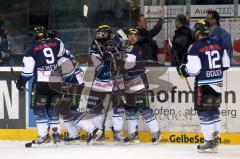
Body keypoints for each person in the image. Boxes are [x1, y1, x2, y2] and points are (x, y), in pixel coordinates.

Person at [177, 20, 230, 152]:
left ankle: (209, 141)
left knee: (204, 112)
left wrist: (182, 70)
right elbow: (226, 65)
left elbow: (193, 70)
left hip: (203, 84)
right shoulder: (219, 44)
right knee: (214, 112)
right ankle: (215, 140)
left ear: (197, 32)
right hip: (217, 83)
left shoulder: (195, 47)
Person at [112, 28, 161, 144]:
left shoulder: (135, 48)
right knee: (130, 109)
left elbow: (128, 65)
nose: (132, 37)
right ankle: (133, 133)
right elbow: (115, 39)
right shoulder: (124, 47)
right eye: (130, 35)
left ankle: (156, 133)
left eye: (135, 36)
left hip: (137, 82)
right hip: (127, 83)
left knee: (143, 109)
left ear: (138, 38)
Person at [87, 24, 125, 142]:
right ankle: (100, 131)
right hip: (100, 80)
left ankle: (117, 132)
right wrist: (104, 61)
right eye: (97, 33)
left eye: (101, 32)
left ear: (107, 33)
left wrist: (114, 56)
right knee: (93, 107)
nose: (98, 34)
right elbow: (92, 63)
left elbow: (123, 57)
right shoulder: (95, 45)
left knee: (119, 106)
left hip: (116, 79)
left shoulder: (117, 42)